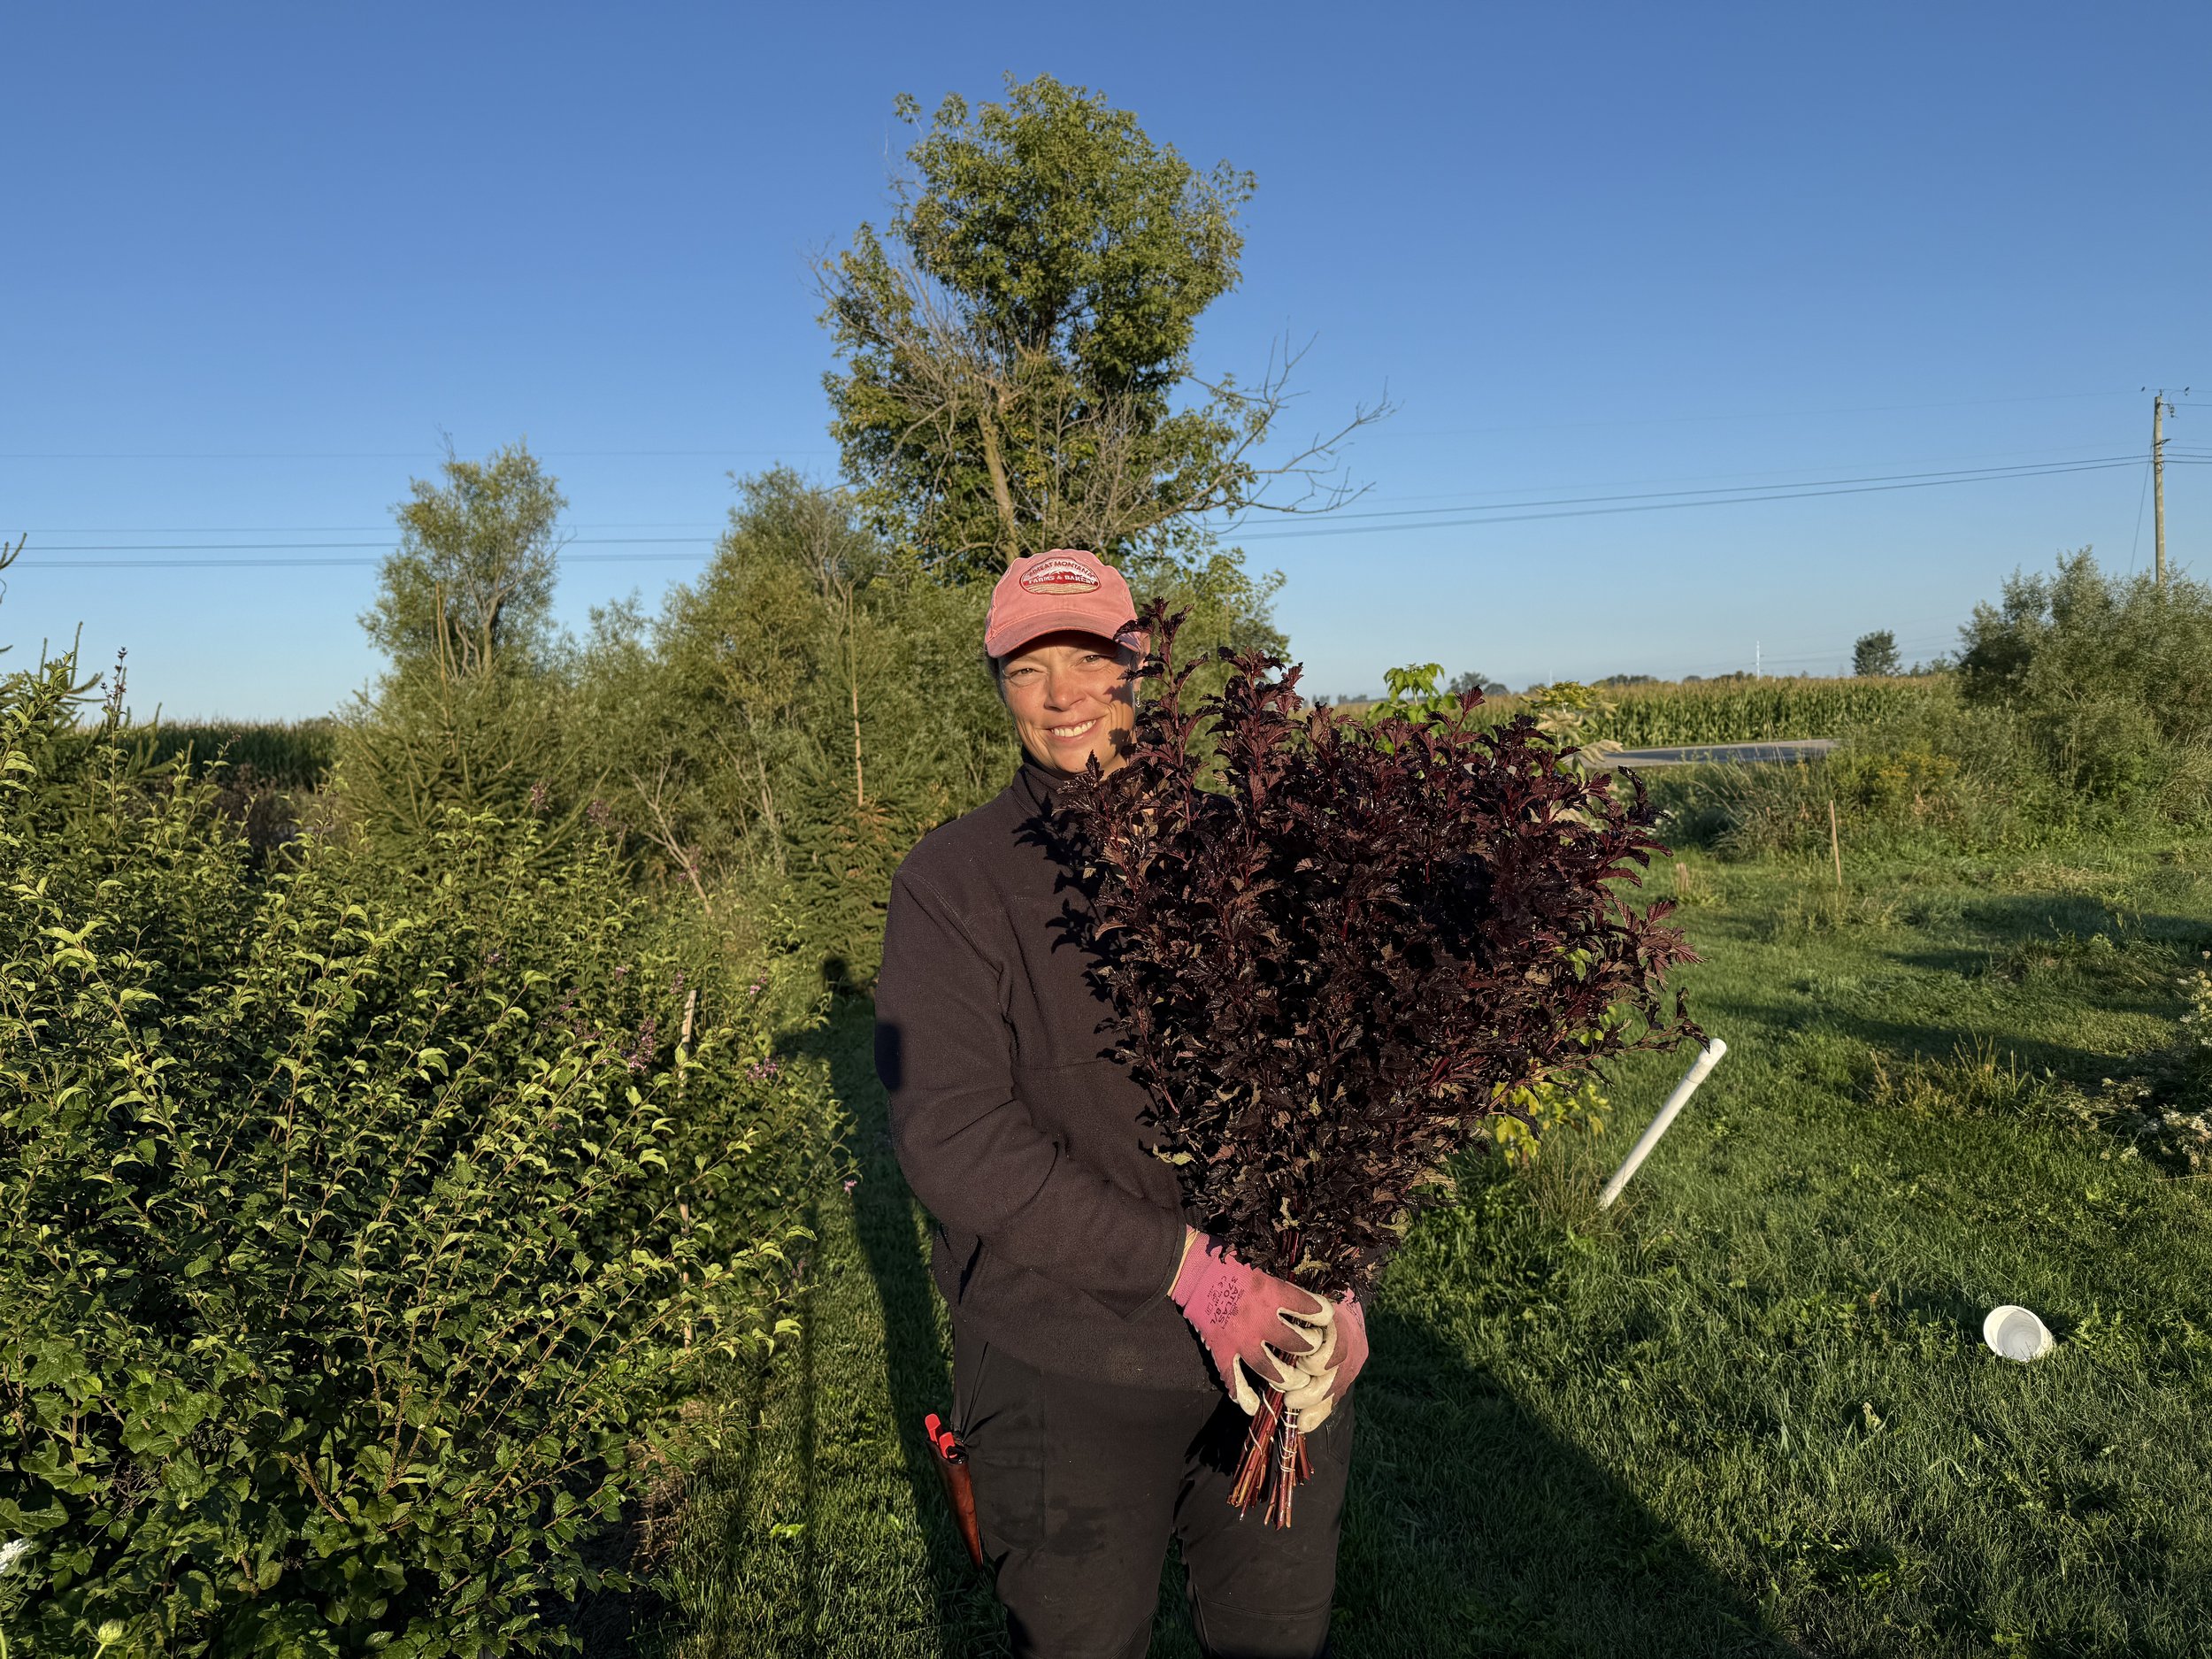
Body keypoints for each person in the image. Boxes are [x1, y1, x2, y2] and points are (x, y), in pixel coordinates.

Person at [875, 549, 1370, 1659]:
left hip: (1275, 1357)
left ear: (1138, 666)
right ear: (998, 684)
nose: (1061, 697)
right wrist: (1193, 1274)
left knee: (1276, 1641)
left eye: (1089, 659)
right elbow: (952, 1137)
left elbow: (1346, 1088)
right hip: (1063, 1366)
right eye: (1027, 669)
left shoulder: (1244, 852)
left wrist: (1343, 1285)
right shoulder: (953, 882)